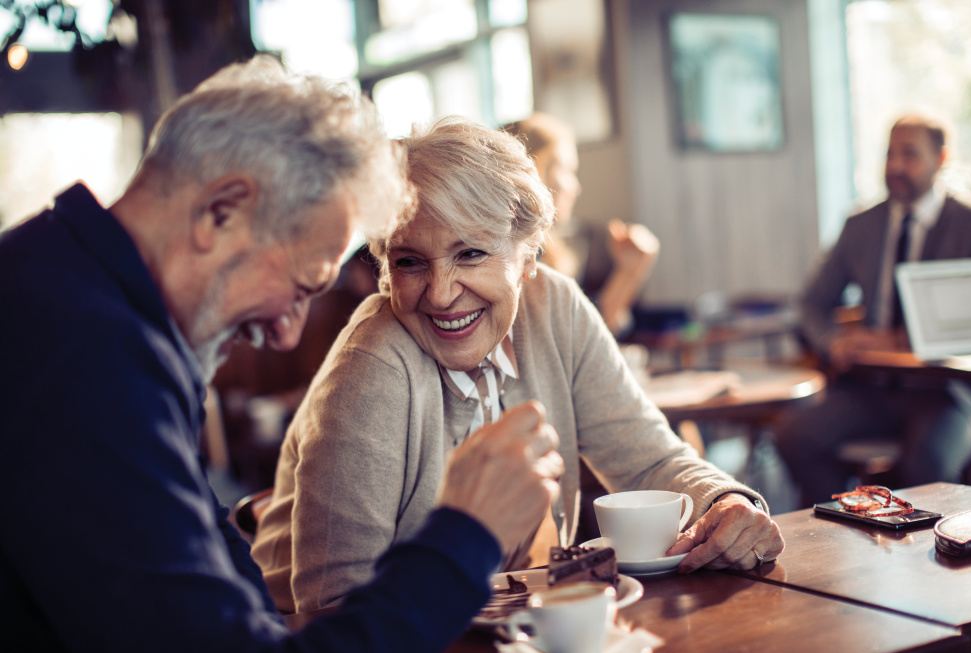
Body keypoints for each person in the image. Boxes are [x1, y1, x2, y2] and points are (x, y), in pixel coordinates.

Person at [0, 57, 565, 653]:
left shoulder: (71, 290)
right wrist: (466, 533)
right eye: (301, 286)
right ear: (223, 212)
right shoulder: (86, 361)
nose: (287, 334)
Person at [251, 117, 784, 613]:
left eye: (470, 254)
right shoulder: (371, 367)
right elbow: (333, 605)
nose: (439, 294)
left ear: (529, 256)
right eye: (410, 261)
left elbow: (646, 458)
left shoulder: (556, 307)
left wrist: (726, 501)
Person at [776, 113, 971, 507]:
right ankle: (843, 532)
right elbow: (811, 303)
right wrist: (832, 342)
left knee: (926, 466)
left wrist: (902, 339)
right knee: (797, 436)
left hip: (948, 391)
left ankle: (931, 559)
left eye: (909, 154)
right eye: (889, 154)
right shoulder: (861, 223)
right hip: (873, 386)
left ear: (941, 158)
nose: (895, 166)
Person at [504, 112, 660, 337]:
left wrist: (629, 271)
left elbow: (588, 336)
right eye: (567, 171)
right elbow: (573, 342)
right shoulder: (515, 259)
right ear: (534, 173)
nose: (575, 188)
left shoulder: (552, 250)